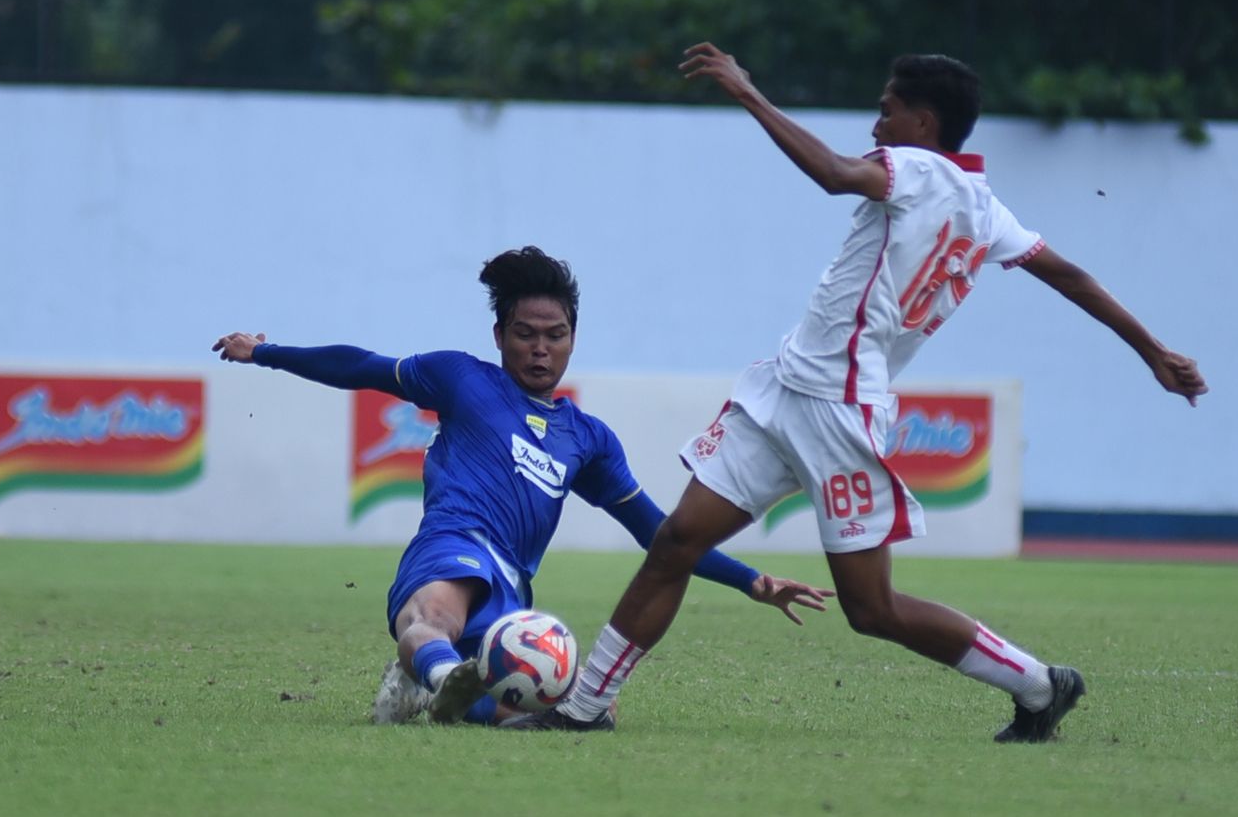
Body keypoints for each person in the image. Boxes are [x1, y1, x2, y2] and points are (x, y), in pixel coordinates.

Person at [510, 45, 1208, 738]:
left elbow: (834, 175)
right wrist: (1152, 351)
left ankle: (1037, 684)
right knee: (676, 543)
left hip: (837, 411)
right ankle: (582, 707)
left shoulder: (914, 168)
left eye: (886, 112)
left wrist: (748, 93)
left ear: (925, 122)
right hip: (783, 391)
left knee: (871, 609)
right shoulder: (986, 209)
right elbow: (1072, 276)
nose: (875, 129)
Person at [213, 246, 833, 725]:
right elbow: (361, 366)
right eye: (525, 334)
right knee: (433, 615)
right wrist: (265, 353)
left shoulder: (587, 439)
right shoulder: (461, 379)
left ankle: (425, 683)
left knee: (570, 714)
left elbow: (659, 532)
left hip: (514, 590)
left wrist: (752, 580)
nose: (540, 349)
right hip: (453, 541)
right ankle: (434, 665)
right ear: (499, 337)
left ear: (573, 337)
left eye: (554, 335)